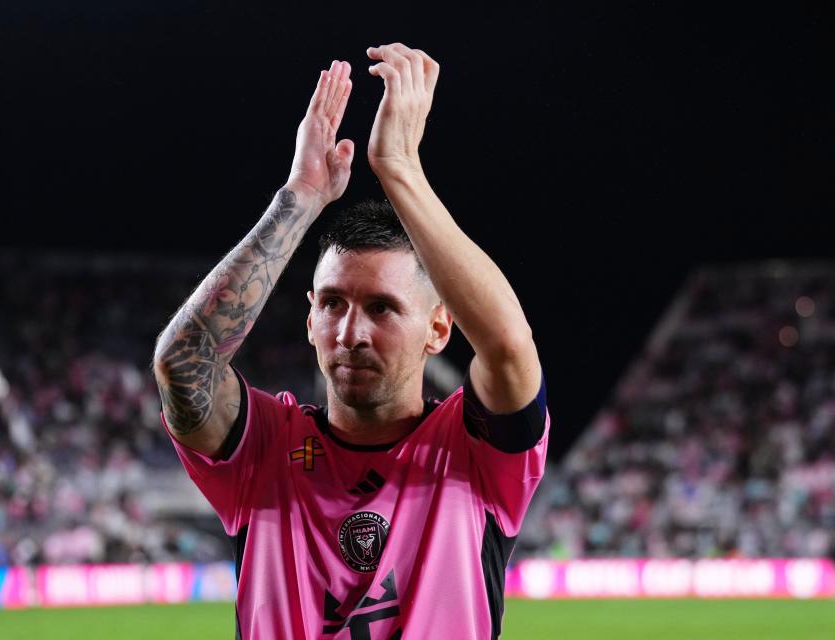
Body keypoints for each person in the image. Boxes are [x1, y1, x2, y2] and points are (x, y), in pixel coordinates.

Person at [153, 43, 549, 640]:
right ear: (309, 319)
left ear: (439, 328)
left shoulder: (474, 451)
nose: (350, 332)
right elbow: (184, 368)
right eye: (333, 303)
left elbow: (510, 352)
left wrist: (401, 170)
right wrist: (301, 198)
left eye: (383, 308)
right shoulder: (263, 448)